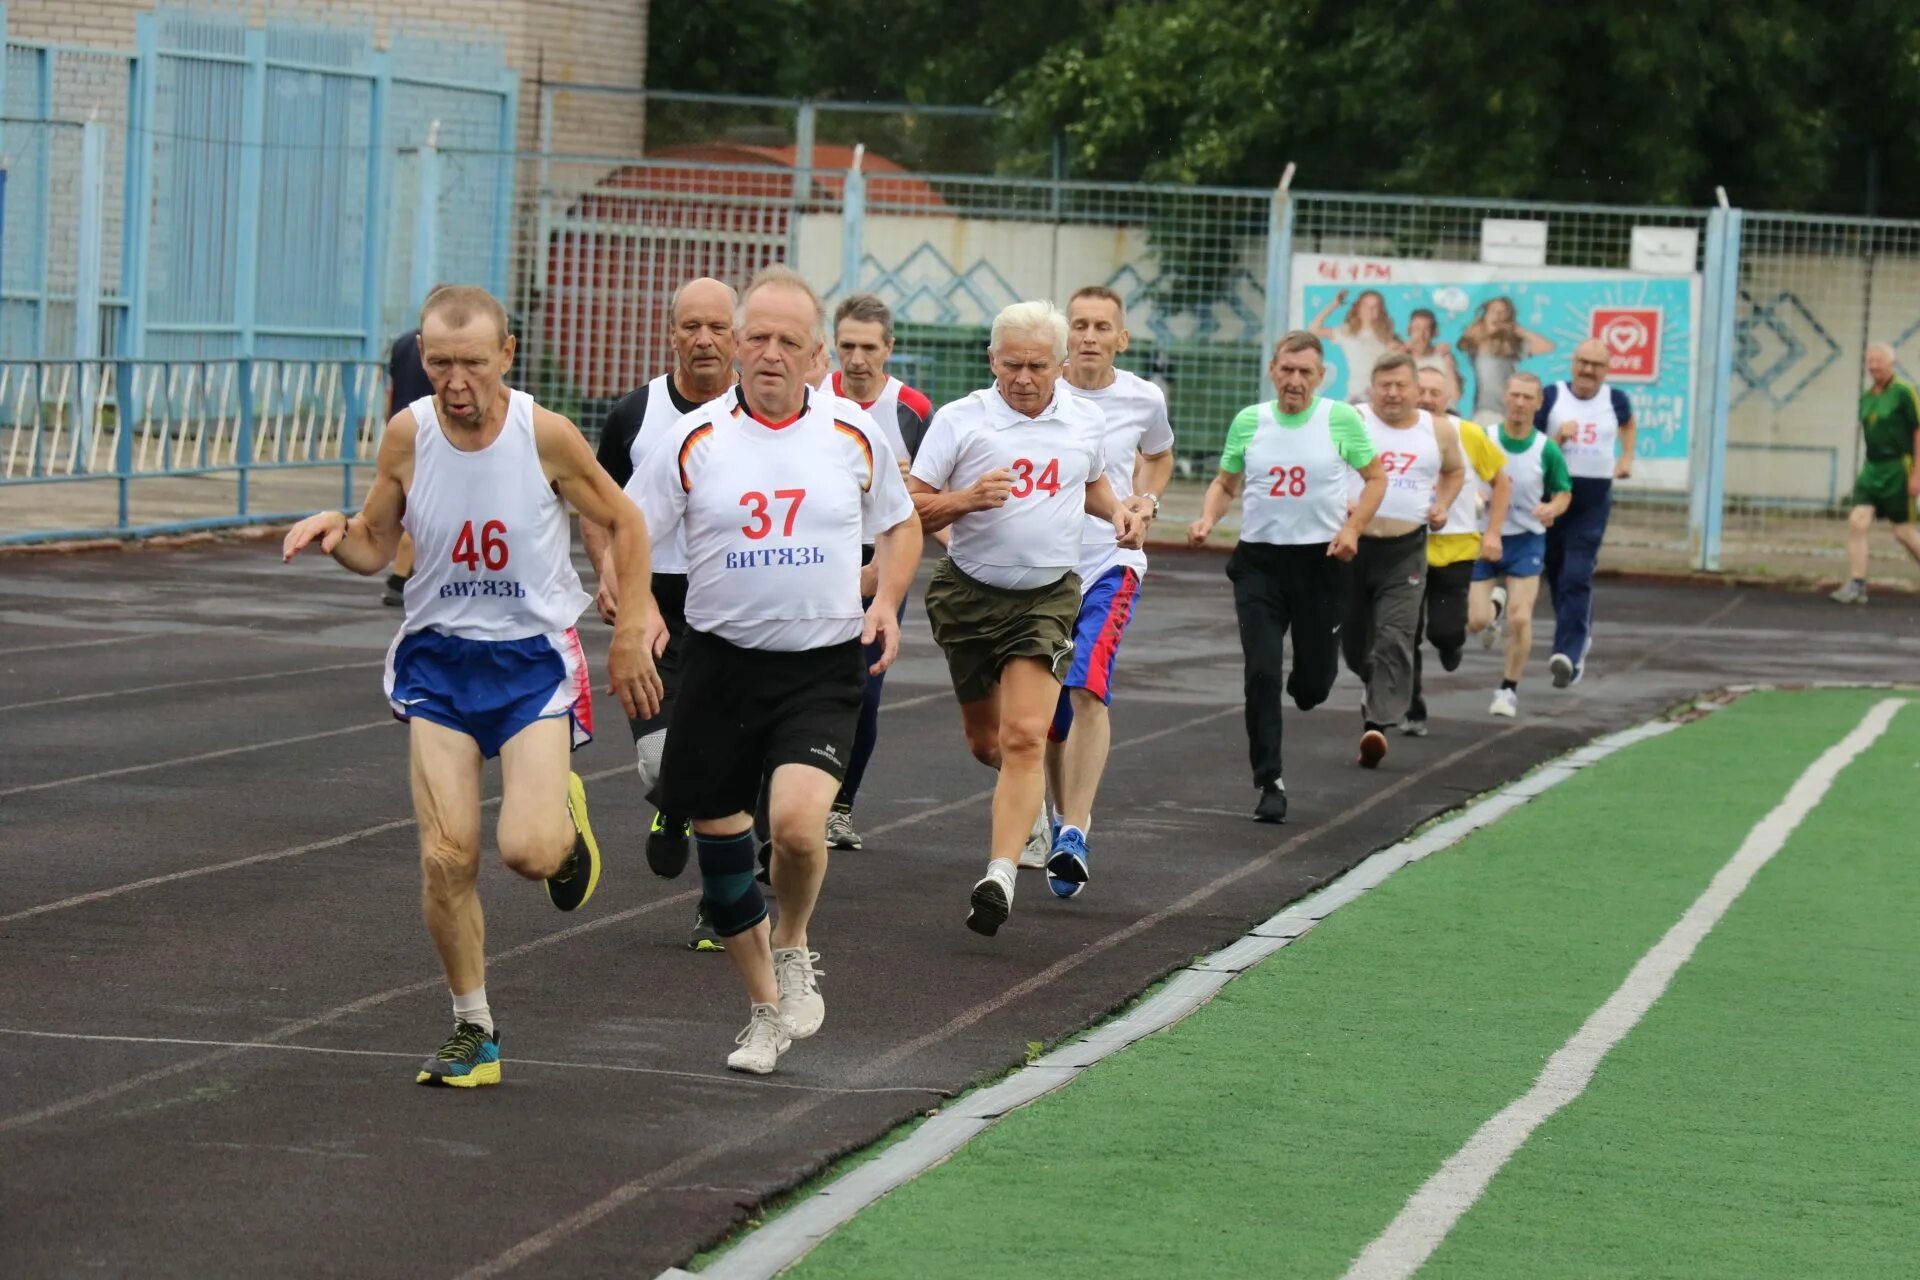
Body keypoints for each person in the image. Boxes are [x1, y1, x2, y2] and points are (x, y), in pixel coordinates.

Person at [282, 286, 663, 1087]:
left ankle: (565, 823)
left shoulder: (543, 434)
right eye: (440, 363)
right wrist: (336, 536)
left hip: (530, 660)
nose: (456, 383)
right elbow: (376, 544)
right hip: (439, 662)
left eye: (473, 365)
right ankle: (474, 1030)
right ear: (422, 355)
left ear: (507, 357)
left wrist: (629, 629)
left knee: (526, 851)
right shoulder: (408, 435)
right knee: (445, 856)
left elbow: (627, 522)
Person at [626, 266, 921, 1074]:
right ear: (735, 341)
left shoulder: (853, 432)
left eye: (788, 341)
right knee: (722, 857)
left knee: (794, 827)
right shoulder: (692, 440)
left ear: (817, 355)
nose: (768, 354)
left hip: (820, 664)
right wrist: (637, 611)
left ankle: (792, 941)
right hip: (717, 666)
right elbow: (626, 531)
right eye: (755, 336)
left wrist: (888, 602)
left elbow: (901, 526)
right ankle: (762, 1009)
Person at [908, 299, 1144, 932]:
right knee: (988, 742)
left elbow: (1090, 483)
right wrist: (966, 498)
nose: (1023, 378)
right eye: (1011, 364)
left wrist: (1117, 512)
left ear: (1061, 365)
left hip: (1045, 599)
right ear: (992, 360)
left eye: (1037, 366)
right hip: (967, 597)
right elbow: (910, 508)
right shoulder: (961, 421)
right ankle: (1030, 812)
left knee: (1024, 737)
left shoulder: (1085, 422)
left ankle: (1001, 875)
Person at [580, 277, 737, 952]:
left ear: (737, 336)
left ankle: (721, 900)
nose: (703, 339)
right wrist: (617, 585)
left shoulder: (758, 410)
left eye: (717, 327)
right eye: (690, 326)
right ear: (670, 332)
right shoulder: (634, 414)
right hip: (655, 604)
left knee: (734, 758)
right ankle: (672, 804)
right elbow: (595, 504)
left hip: (734, 603)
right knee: (658, 763)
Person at [1188, 332, 1383, 822]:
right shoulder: (1250, 421)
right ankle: (1269, 781)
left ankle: (1310, 682)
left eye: (1305, 373)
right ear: (1273, 370)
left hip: (1322, 564)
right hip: (1260, 565)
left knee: (1312, 686)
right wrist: (1209, 518)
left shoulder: (1338, 418)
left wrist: (1353, 528)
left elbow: (1376, 478)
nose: (1295, 380)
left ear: (1319, 377)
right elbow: (1225, 482)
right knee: (1261, 672)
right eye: (1287, 370)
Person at [1020, 285, 1174, 875]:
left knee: (1086, 684)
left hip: (1112, 560)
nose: (1089, 336)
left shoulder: (1142, 398)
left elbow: (1158, 455)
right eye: (1079, 325)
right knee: (1048, 716)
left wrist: (1147, 501)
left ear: (1121, 338)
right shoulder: (1038, 394)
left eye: (1101, 327)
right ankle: (1059, 815)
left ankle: (1075, 831)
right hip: (1044, 565)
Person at [823, 293, 935, 850]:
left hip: (883, 552)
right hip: (817, 554)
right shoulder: (810, 397)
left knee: (863, 689)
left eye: (869, 347)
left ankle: (840, 807)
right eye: (847, 346)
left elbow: (927, 497)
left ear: (889, 349)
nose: (858, 359)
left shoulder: (913, 409)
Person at [1345, 351, 1465, 766]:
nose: (1393, 394)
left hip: (1406, 549)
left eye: (1401, 386)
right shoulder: (1352, 420)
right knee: (1356, 645)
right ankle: (1372, 684)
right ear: (1372, 388)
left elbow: (1454, 471)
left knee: (1396, 636)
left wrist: (1443, 505)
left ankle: (1376, 727)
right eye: (1385, 385)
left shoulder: (1440, 430)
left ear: (1417, 389)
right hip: (1353, 545)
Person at [1405, 364, 1510, 736]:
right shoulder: (1399, 432)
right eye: (1423, 391)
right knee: (1406, 632)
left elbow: (1502, 482)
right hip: (1407, 546)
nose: (1428, 399)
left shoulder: (1469, 434)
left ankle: (1452, 645)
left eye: (1437, 392)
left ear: (1450, 398)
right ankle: (1412, 707)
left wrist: (1494, 531)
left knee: (1445, 634)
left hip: (1457, 548)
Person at [1469, 373, 1571, 717]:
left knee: (1521, 619)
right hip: (1484, 537)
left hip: (1526, 540)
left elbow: (1563, 492)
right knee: (1476, 621)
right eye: (1515, 395)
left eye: (1528, 397)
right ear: (1505, 399)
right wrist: (1476, 493)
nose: (1520, 403)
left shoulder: (1546, 449)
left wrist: (1551, 508)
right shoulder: (1485, 439)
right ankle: (1491, 609)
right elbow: (1464, 476)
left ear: (1538, 404)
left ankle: (1507, 690)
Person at [1536, 338, 1636, 687]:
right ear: (1572, 363)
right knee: (1558, 573)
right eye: (1582, 362)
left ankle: (1569, 654)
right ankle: (1579, 632)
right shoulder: (1552, 397)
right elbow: (1534, 447)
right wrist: (1559, 439)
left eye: (1596, 364)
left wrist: (1625, 459)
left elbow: (1628, 424)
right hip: (1554, 498)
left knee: (1577, 575)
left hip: (1591, 501)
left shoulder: (1615, 400)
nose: (1587, 370)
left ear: (1606, 370)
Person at [1831, 342, 1920, 603]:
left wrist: (1917, 473)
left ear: (1892, 362)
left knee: (1902, 531)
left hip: (1899, 467)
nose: (1873, 366)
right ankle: (1857, 583)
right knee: (1857, 520)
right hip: (1873, 467)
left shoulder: (1905, 392)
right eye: (1870, 361)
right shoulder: (1867, 397)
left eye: (1878, 360)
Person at [380, 300, 439, 607]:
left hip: (403, 428)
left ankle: (403, 574)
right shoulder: (449, 348)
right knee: (424, 507)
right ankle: (399, 577)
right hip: (432, 433)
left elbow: (391, 388)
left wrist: (388, 421)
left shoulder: (403, 343)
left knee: (406, 505)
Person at [1458, 296, 1553, 419]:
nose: (1497, 316)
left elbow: (1546, 346)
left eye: (1502, 313)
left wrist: (1517, 329)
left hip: (1507, 412)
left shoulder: (1511, 346)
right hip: (1483, 411)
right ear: (1485, 316)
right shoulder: (1472, 344)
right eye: (1493, 311)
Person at [1308, 289, 1399, 403]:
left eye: (1374, 307)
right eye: (1366, 306)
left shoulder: (1388, 336)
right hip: (1356, 395)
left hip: (1381, 396)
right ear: (1358, 308)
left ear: (1380, 310)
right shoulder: (1347, 333)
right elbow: (1313, 330)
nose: (1370, 311)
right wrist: (1334, 304)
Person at [1405, 308, 1457, 380]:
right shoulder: (1400, 359)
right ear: (1409, 331)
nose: (1421, 335)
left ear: (1434, 332)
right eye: (1416, 329)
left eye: (1426, 329)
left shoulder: (1443, 360)